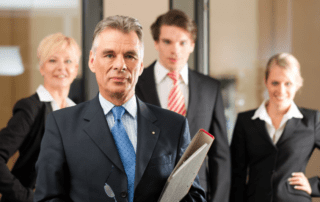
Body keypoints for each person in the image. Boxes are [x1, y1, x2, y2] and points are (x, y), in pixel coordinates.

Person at [34, 15, 206, 202]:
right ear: (92, 61)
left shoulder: (174, 125)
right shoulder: (61, 125)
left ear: (140, 65)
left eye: (129, 56)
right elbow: (48, 198)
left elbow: (193, 195)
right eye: (109, 55)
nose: (120, 65)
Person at [135, 9, 230, 202]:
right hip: (145, 194)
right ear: (156, 43)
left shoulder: (210, 88)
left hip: (197, 194)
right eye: (167, 41)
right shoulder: (135, 84)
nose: (175, 50)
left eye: (182, 42)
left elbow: (220, 155)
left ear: (192, 45)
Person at [0, 32, 81, 202]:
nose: (61, 67)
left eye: (68, 61)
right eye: (52, 60)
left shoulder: (78, 113)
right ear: (42, 67)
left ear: (75, 69)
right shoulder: (31, 107)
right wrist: (27, 198)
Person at [230, 53, 320, 202]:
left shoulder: (312, 121)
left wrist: (314, 185)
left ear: (298, 84)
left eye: (288, 83)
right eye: (275, 83)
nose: (281, 90)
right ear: (266, 81)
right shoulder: (245, 121)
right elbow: (236, 173)